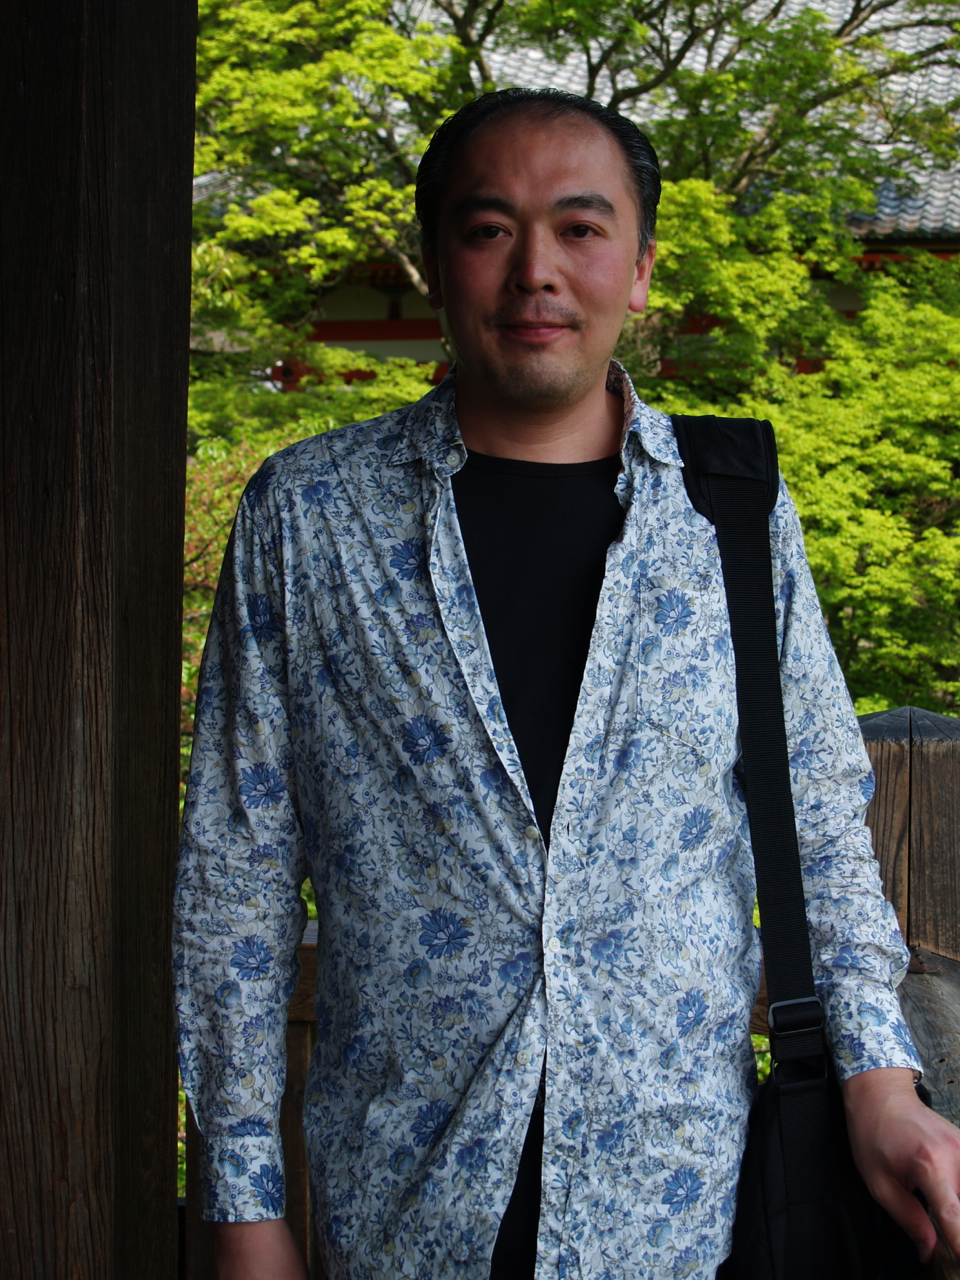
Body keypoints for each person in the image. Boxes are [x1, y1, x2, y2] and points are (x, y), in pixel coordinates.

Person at [173, 88, 960, 1280]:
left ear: (639, 271)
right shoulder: (310, 517)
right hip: (407, 1201)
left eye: (581, 229)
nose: (535, 269)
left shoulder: (732, 511)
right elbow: (236, 876)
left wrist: (883, 1085)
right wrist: (244, 1207)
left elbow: (817, 825)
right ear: (437, 264)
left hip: (680, 1204)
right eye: (490, 228)